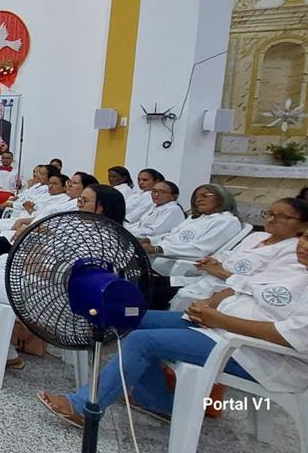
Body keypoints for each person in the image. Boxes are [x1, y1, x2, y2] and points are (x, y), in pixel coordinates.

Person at [39, 230, 308, 429]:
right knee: (131, 319)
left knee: (143, 342)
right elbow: (239, 286)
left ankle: (84, 407)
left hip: (255, 355)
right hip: (217, 326)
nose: (304, 246)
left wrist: (218, 320)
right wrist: (207, 305)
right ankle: (157, 401)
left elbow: (288, 336)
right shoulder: (291, 267)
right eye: (304, 238)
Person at [0, 185, 127, 371]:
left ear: (101, 208)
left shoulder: (101, 239)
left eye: (84, 201)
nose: (78, 204)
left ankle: (5, 352)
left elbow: (72, 277)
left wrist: (36, 265)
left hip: (57, 300)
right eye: (79, 199)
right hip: (48, 285)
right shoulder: (89, 227)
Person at [169, 198, 308, 311]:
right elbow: (229, 254)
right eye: (269, 213)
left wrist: (221, 272)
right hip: (201, 282)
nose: (270, 220)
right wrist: (213, 260)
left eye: (282, 217)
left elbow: (258, 285)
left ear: (304, 225)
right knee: (150, 284)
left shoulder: (295, 253)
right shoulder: (257, 237)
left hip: (222, 293)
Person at [0, 173, 77, 268]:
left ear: (63, 187)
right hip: (27, 220)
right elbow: (32, 206)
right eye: (50, 183)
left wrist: (28, 222)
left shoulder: (66, 201)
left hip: (34, 228)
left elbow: (49, 221)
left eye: (55, 184)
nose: (50, 186)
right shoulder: (50, 195)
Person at [140, 183, 242, 262]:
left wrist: (158, 249)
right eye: (196, 197)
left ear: (221, 198)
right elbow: (172, 236)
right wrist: (149, 240)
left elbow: (200, 250)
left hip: (178, 261)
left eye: (205, 196)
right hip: (160, 255)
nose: (198, 200)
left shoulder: (227, 221)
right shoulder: (196, 218)